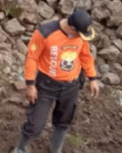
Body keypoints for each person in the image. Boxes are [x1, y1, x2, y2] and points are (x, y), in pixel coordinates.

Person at [14, 9, 101, 153]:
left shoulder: (80, 36)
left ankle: (56, 150)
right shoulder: (45, 33)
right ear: (72, 28)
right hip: (46, 85)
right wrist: (30, 84)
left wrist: (92, 78)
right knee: (35, 124)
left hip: (71, 86)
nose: (80, 37)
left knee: (63, 121)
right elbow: (32, 58)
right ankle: (20, 149)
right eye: (79, 34)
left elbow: (85, 56)